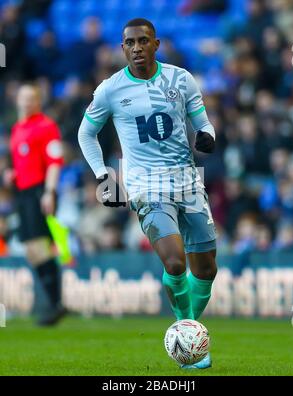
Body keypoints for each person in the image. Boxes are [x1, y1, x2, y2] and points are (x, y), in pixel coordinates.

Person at [78, 18, 217, 369]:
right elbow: (85, 134)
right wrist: (102, 175)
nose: (136, 48)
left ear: (156, 43)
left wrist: (207, 136)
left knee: (207, 270)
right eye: (129, 43)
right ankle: (186, 337)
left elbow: (203, 122)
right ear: (122, 48)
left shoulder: (181, 79)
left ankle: (187, 329)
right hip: (146, 186)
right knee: (174, 261)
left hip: (188, 182)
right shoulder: (110, 89)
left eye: (143, 41)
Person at [4, 84, 65, 326]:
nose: (27, 103)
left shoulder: (46, 126)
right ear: (17, 101)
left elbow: (54, 161)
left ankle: (55, 303)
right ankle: (54, 303)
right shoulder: (18, 128)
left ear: (38, 101)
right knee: (31, 249)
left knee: (39, 246)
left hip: (39, 191)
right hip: (23, 192)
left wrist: (49, 192)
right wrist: (13, 174)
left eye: (31, 99)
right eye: (23, 98)